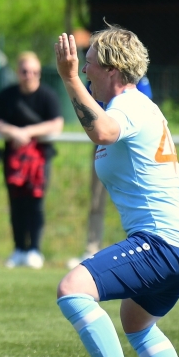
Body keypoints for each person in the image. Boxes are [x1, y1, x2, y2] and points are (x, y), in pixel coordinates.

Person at [54, 25, 179, 357]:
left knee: (72, 289)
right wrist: (75, 83)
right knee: (136, 322)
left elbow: (101, 131)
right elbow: (102, 129)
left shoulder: (131, 106)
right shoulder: (124, 108)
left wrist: (66, 79)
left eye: (88, 64)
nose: (83, 70)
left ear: (112, 68)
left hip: (162, 240)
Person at [67, 76, 153, 269]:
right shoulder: (95, 79)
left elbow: (142, 108)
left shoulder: (135, 79)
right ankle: (91, 249)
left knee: (137, 201)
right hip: (103, 145)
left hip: (131, 147)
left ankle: (141, 251)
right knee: (96, 201)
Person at [0, 52, 64, 269]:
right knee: (16, 204)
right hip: (13, 159)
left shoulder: (48, 96)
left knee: (36, 203)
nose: (29, 75)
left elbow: (57, 124)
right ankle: (18, 249)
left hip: (40, 160)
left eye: (34, 72)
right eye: (25, 71)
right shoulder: (7, 95)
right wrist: (14, 133)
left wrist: (28, 132)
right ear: (18, 72)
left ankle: (34, 249)